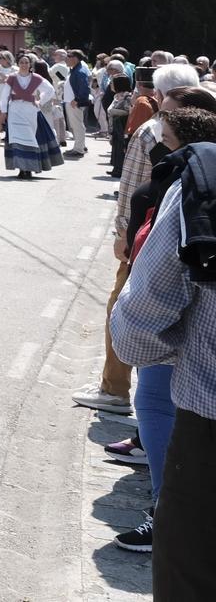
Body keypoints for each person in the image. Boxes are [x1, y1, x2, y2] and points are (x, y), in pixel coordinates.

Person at [110, 133, 216, 600]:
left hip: (209, 428)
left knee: (191, 575)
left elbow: (138, 325)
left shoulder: (204, 180)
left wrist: (178, 353)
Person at [75, 63, 203, 416]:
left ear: (161, 94)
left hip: (149, 238)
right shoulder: (207, 124)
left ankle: (115, 389)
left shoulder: (152, 130)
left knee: (123, 308)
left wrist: (121, 234)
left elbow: (133, 188)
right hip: (185, 241)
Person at [2, 58, 62, 179]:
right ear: (17, 64)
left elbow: (50, 90)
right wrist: (4, 111)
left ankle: (29, 168)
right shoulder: (12, 78)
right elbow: (5, 95)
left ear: (30, 64)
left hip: (30, 111)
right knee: (17, 139)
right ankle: (21, 168)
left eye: (26, 63)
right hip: (15, 110)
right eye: (21, 63)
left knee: (30, 139)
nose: (24, 65)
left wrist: (40, 101)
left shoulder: (36, 78)